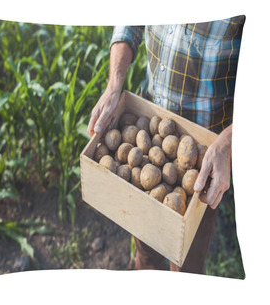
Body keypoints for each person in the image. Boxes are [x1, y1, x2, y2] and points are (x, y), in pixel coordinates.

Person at [87, 16, 245, 274]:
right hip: (148, 115)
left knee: (187, 267)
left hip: (206, 158)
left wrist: (229, 140)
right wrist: (115, 82)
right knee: (146, 256)